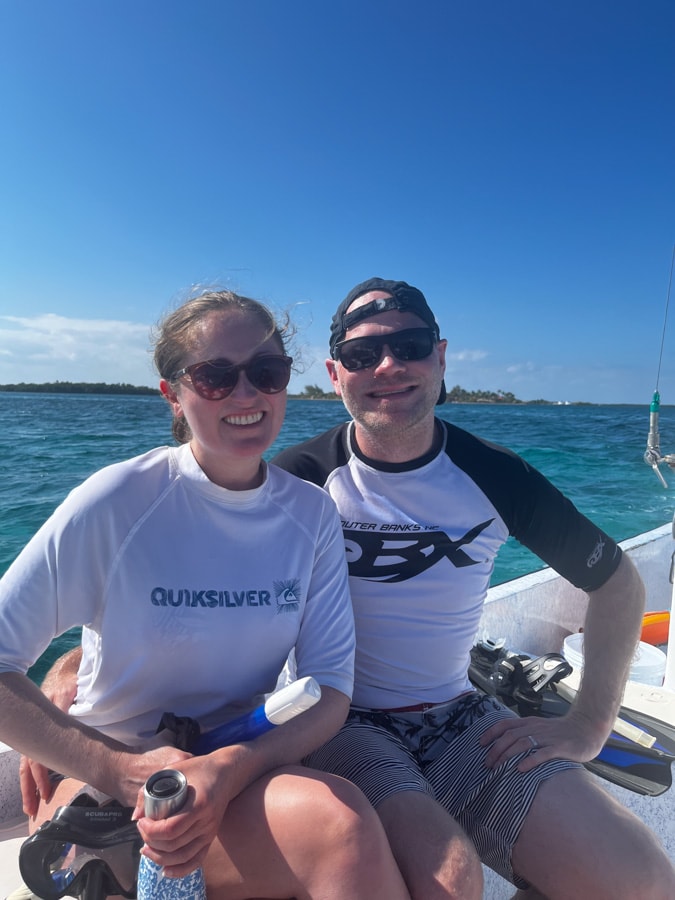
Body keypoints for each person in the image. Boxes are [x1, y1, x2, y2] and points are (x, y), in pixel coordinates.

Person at [270, 277, 675, 900]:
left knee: (641, 880)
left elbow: (618, 585)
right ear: (334, 373)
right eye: (361, 355)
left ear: (440, 355)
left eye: (409, 345)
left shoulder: (493, 475)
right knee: (449, 879)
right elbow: (199, 591)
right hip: (342, 722)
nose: (388, 366)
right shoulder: (296, 482)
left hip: (461, 717)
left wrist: (589, 723)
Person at [0, 289, 409, 900]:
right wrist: (119, 769)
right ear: (173, 393)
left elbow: (329, 688)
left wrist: (230, 767)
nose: (246, 396)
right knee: (339, 827)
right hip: (106, 795)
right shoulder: (118, 501)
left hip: (231, 775)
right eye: (215, 377)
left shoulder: (312, 516)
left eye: (266, 373)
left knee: (347, 822)